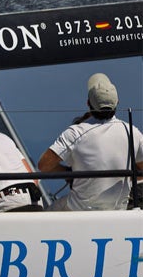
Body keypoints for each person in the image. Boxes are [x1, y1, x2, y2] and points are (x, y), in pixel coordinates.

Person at [38, 73, 143, 211]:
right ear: (117, 102)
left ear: (88, 103)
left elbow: (44, 165)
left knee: (46, 215)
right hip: (117, 209)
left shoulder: (75, 132)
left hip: (80, 210)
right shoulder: (131, 131)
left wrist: (68, 173)